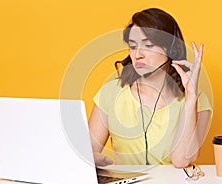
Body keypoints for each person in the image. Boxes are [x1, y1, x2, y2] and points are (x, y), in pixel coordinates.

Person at [88, 8, 212, 168]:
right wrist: (93, 158)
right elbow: (88, 151)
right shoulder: (111, 93)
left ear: (171, 50)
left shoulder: (198, 101)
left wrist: (190, 98)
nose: (138, 54)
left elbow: (181, 160)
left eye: (148, 45)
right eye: (133, 46)